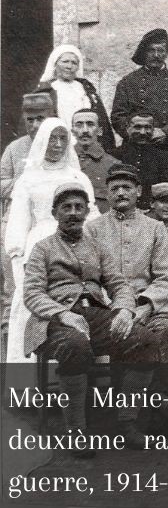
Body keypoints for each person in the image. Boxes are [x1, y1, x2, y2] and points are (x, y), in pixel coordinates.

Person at [23, 183, 161, 453]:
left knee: (146, 341)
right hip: (53, 320)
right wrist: (63, 314)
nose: (73, 213)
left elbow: (118, 285)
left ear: (87, 212)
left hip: (94, 315)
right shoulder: (42, 249)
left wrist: (124, 310)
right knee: (75, 345)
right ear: (54, 213)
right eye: (66, 207)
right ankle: (76, 431)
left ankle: (127, 424)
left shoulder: (96, 247)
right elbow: (32, 293)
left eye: (79, 207)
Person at [86, 164, 168, 431]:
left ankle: (160, 413)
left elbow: (166, 276)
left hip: (150, 303)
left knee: (165, 331)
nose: (120, 193)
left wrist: (147, 306)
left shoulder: (155, 228)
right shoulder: (92, 229)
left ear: (138, 191)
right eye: (115, 188)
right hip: (109, 306)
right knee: (127, 336)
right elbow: (89, 278)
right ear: (107, 193)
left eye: (126, 187)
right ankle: (146, 410)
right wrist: (113, 307)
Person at [5, 119, 99, 365]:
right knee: (35, 301)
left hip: (77, 242)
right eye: (52, 139)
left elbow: (92, 218)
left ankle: (78, 369)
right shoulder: (28, 179)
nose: (57, 145)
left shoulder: (78, 177)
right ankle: (28, 378)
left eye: (62, 139)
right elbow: (18, 222)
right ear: (42, 141)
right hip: (39, 245)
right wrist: (17, 256)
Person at [1, 93, 56, 324]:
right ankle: (9, 321)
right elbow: (2, 184)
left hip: (48, 218)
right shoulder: (15, 148)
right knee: (12, 271)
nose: (34, 125)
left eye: (40, 119)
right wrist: (25, 180)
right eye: (29, 120)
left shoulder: (59, 145)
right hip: (16, 218)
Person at [111, 28, 168, 156]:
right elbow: (118, 116)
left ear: (167, 53)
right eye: (151, 50)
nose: (156, 55)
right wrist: (138, 134)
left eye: (160, 50)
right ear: (144, 53)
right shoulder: (127, 82)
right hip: (136, 149)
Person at [39, 44, 115, 151]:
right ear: (55, 63)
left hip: (86, 143)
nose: (69, 66)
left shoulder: (85, 89)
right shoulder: (47, 90)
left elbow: (101, 120)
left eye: (74, 63)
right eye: (65, 61)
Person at [113, 111, 168, 208]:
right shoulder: (115, 155)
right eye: (137, 127)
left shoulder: (166, 158)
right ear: (127, 128)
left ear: (153, 129)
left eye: (147, 127)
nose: (143, 132)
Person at [71, 109, 120, 213]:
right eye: (79, 125)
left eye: (90, 124)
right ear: (72, 131)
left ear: (100, 131)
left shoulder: (113, 165)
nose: (85, 130)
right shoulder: (64, 162)